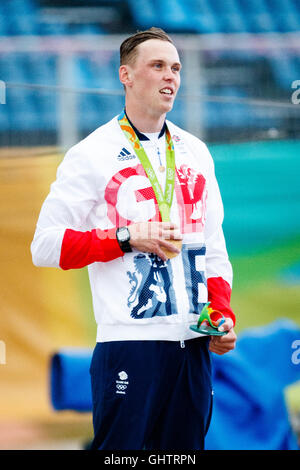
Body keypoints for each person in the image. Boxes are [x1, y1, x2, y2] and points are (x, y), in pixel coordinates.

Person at [31, 27, 237, 450]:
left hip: (194, 346)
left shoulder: (196, 150)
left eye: (176, 68)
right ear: (125, 75)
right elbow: (46, 246)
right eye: (157, 66)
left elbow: (213, 246)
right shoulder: (91, 153)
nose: (170, 77)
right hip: (129, 347)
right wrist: (125, 237)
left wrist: (221, 314)